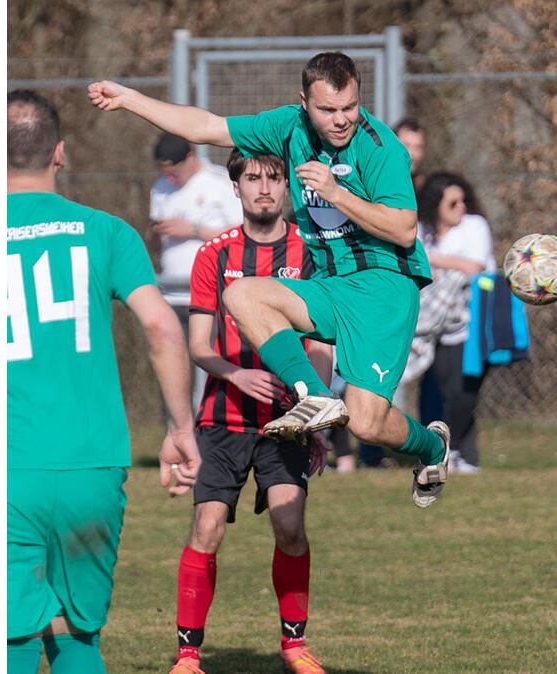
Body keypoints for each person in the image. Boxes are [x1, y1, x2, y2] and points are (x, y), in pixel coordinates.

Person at [88, 51, 454, 508]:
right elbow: (207, 127)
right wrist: (131, 99)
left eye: (349, 107)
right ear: (304, 102)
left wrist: (336, 193)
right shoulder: (288, 126)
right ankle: (316, 396)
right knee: (241, 294)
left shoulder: (380, 148)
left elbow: (402, 228)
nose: (341, 120)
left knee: (367, 424)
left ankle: (432, 448)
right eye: (327, 110)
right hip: (330, 285)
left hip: (383, 287)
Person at [7, 89, 201, 674]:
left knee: (8, 637)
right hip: (93, 462)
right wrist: (180, 428)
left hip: (6, 466)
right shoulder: (108, 232)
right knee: (75, 636)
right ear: (60, 153)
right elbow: (163, 329)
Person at [170, 149, 333, 674]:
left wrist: (318, 413)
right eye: (252, 179)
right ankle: (189, 655)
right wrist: (235, 373)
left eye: (274, 178)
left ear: (286, 187)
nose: (264, 188)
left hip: (286, 419)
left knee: (290, 525)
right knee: (208, 525)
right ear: (235, 187)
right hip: (223, 417)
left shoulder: (311, 255)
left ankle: (294, 646)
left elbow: (322, 345)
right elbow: (198, 345)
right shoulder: (212, 255)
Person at [149, 133, 243, 409]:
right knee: (173, 372)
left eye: (175, 172)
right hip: (171, 295)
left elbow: (239, 234)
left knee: (209, 371)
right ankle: (178, 433)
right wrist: (156, 231)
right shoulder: (160, 188)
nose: (171, 179)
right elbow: (153, 234)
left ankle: (207, 435)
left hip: (208, 295)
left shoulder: (219, 183)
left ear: (190, 157)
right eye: (165, 173)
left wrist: (193, 230)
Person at [415, 172, 497, 473]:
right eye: (452, 202)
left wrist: (432, 259)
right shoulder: (423, 231)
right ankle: (459, 455)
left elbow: (474, 266)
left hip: (472, 320)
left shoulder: (474, 226)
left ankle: (454, 451)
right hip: (433, 322)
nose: (461, 206)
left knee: (465, 391)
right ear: (436, 204)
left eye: (463, 200)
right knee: (447, 390)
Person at [392, 117, 426, 193]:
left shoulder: (424, 188)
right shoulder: (378, 181)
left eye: (418, 147)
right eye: (406, 146)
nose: (412, 154)